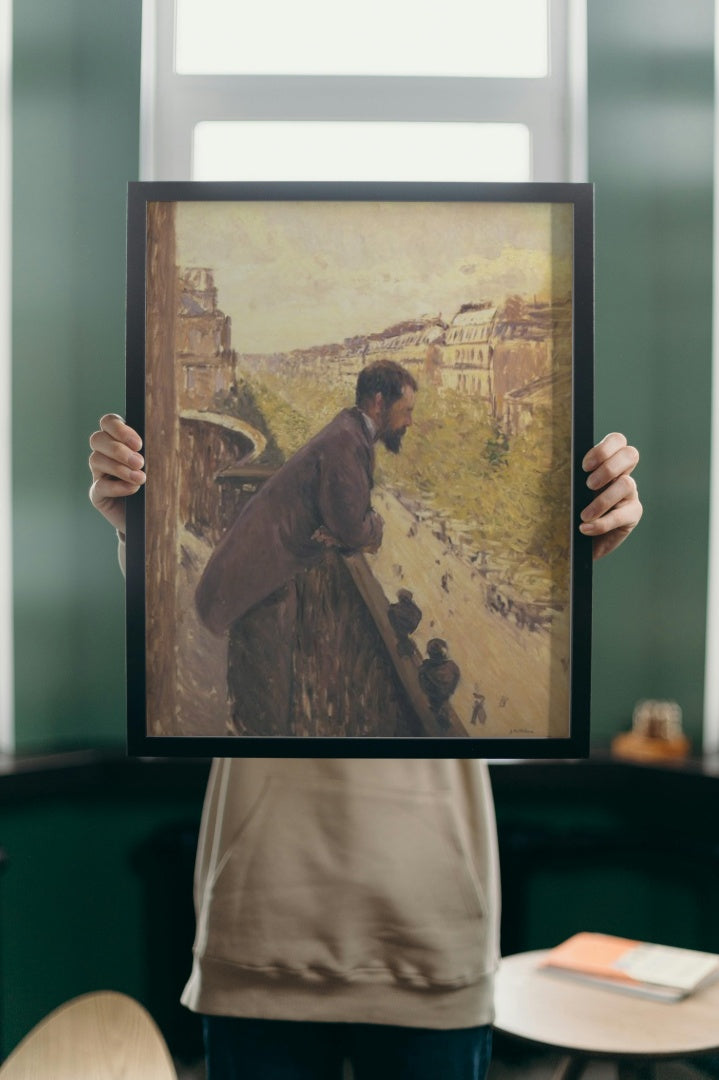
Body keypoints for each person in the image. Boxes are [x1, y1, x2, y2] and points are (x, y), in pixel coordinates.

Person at [89, 411, 642, 1080]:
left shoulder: (298, 493)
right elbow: (190, 648)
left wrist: (570, 551)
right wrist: (136, 529)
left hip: (402, 926)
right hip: (289, 924)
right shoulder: (323, 484)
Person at [195, 360, 417, 736]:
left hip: (260, 576)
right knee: (266, 700)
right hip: (261, 583)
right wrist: (371, 527)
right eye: (406, 410)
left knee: (260, 687)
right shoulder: (347, 443)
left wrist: (343, 528)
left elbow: (342, 522)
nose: (409, 422)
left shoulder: (346, 432)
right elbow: (352, 526)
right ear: (380, 402)